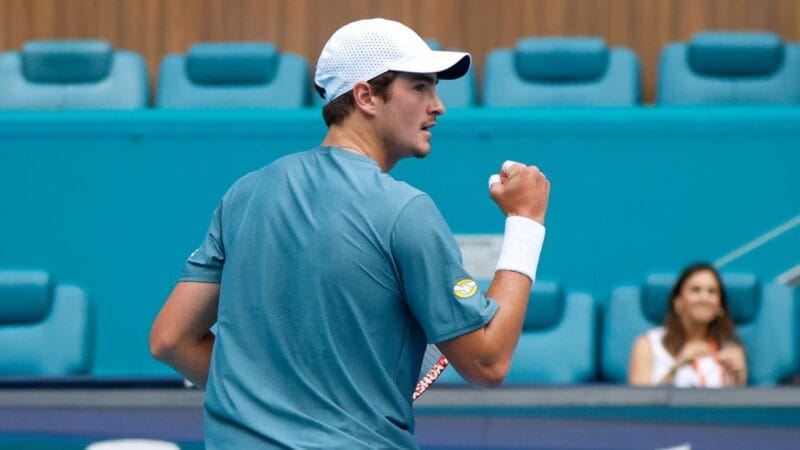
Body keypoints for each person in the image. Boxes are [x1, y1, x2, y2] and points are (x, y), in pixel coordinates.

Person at [150, 17, 550, 449]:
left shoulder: (244, 193)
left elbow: (171, 340)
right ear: (366, 96)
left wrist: (267, 406)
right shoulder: (406, 211)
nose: (438, 105)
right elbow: (487, 362)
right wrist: (526, 221)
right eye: (420, 87)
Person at [628, 263, 747, 387]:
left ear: (719, 305)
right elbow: (638, 402)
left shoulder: (731, 349)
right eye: (695, 290)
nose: (704, 298)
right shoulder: (648, 344)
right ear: (678, 301)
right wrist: (677, 366)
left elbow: (737, 404)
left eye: (712, 292)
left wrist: (738, 377)